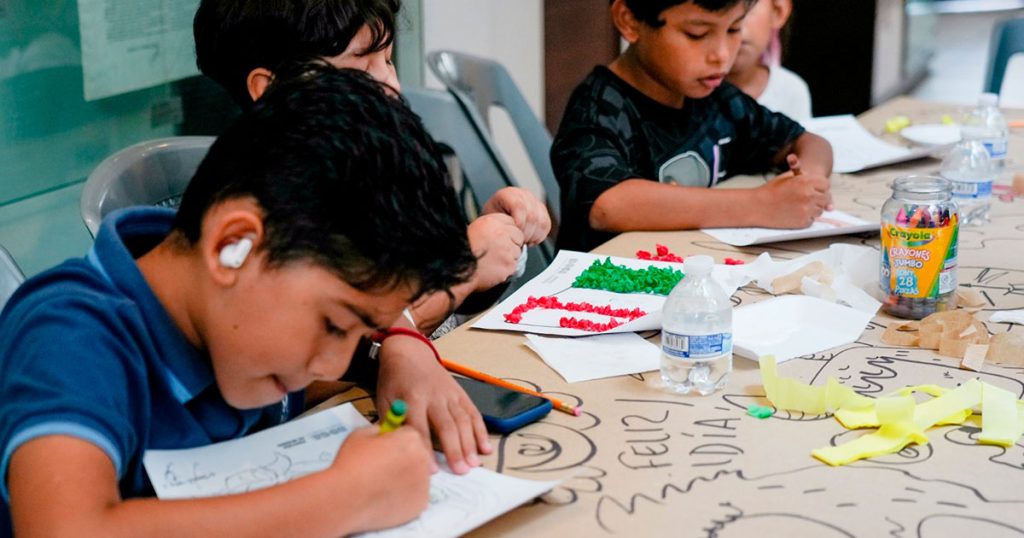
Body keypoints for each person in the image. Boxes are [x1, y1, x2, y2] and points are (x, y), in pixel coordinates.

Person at [0, 64, 478, 536]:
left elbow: (347, 353)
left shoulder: (236, 324)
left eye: (357, 332)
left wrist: (399, 347)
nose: (332, 363)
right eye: (334, 324)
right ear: (233, 246)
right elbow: (64, 528)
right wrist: (345, 498)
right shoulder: (69, 337)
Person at [193, 0, 551, 334]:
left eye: (389, 61)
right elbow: (335, 355)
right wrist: (461, 274)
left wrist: (489, 247)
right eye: (364, 69)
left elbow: (436, 311)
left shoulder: (374, 172)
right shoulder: (268, 212)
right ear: (272, 89)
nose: (391, 85)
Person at [551, 0, 833, 252]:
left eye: (734, 29)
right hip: (610, 286)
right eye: (697, 34)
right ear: (630, 20)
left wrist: (806, 184)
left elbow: (807, 141)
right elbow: (607, 205)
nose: (722, 55)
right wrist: (760, 205)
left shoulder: (718, 100)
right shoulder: (599, 108)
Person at [725, 0, 812, 122]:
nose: (735, 24)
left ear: (778, 11)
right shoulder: (698, 93)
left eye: (748, 4)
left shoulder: (791, 90)